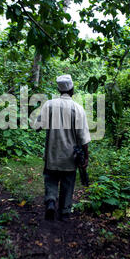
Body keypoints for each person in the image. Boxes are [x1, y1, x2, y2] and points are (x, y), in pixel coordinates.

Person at [35, 75, 91, 222]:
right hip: (70, 157)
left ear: (58, 89)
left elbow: (37, 127)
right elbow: (83, 138)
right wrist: (86, 157)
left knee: (51, 179)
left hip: (52, 154)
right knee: (68, 182)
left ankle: (51, 202)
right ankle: (65, 212)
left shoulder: (49, 105)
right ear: (72, 89)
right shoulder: (78, 109)